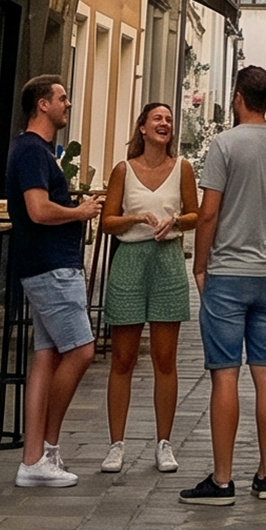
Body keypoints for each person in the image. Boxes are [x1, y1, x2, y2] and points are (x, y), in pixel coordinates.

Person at [179, 66, 266, 506]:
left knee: (225, 375)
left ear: (237, 98)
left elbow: (208, 212)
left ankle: (222, 478)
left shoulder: (225, 144)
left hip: (229, 272)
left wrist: (199, 264)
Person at [6, 75, 103, 488]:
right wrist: (79, 212)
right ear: (42, 105)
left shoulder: (34, 150)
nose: (68, 103)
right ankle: (47, 447)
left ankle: (33, 460)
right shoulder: (31, 150)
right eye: (62, 98)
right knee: (81, 351)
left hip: (42, 263)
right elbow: (39, 210)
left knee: (46, 357)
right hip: (51, 265)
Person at [98, 103, 198, 474]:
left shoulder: (182, 168)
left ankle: (164, 442)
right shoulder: (123, 170)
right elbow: (107, 222)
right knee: (122, 359)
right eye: (157, 118)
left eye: (169, 120)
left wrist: (174, 220)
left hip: (168, 261)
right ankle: (116, 444)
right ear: (141, 127)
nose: (164, 124)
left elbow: (196, 214)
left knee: (164, 359)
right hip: (129, 262)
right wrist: (136, 217)